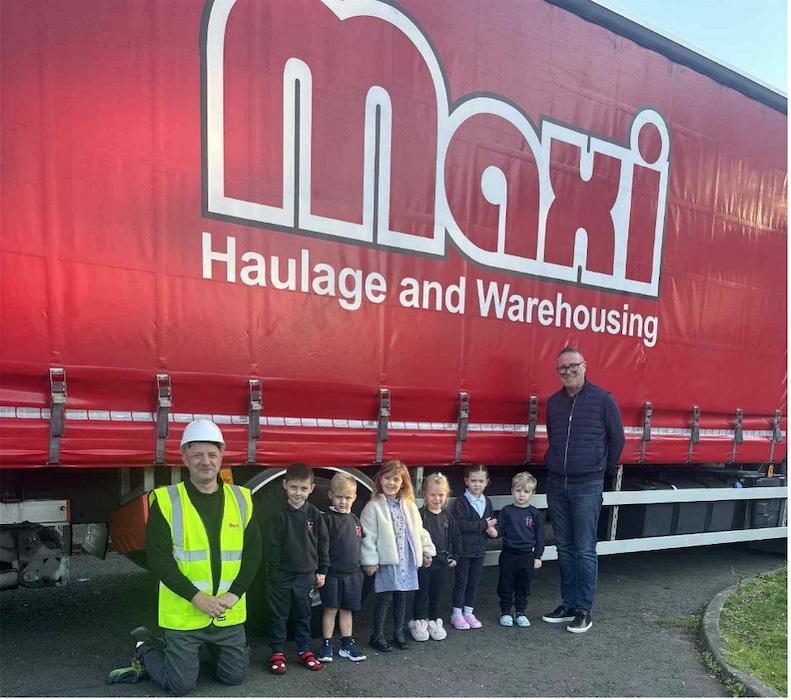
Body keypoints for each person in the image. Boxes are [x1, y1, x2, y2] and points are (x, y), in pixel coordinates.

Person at [106, 419, 261, 695]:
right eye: (197, 454)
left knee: (235, 677)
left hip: (227, 611)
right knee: (181, 686)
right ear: (184, 458)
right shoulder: (166, 501)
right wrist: (197, 598)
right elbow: (159, 559)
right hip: (186, 613)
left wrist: (235, 594)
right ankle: (147, 647)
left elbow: (253, 552)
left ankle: (202, 653)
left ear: (221, 457)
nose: (206, 461)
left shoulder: (242, 499)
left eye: (212, 454)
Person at [541, 345, 624, 633]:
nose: (568, 372)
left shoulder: (603, 400)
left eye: (573, 366)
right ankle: (568, 604)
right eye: (562, 368)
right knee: (564, 547)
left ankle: (583, 610)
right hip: (557, 482)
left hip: (587, 484)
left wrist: (601, 467)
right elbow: (554, 437)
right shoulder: (553, 403)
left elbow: (617, 440)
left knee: (585, 548)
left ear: (584, 365)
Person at [360, 460, 436, 652]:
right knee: (385, 598)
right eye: (387, 478)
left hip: (406, 558)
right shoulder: (374, 506)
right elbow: (368, 535)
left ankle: (398, 632)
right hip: (388, 560)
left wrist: (427, 550)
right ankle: (377, 635)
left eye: (396, 479)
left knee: (402, 597)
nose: (391, 483)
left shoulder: (408, 505)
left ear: (403, 482)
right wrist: (370, 560)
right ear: (380, 480)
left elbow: (419, 530)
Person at [263, 462, 330, 674]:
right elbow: (271, 544)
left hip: (305, 575)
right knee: (278, 615)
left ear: (311, 488)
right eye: (293, 487)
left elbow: (323, 543)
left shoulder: (314, 514)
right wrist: (274, 570)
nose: (298, 493)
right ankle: (277, 653)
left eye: (303, 488)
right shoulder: (277, 513)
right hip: (280, 575)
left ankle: (303, 650)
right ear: (284, 485)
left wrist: (322, 570)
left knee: (303, 615)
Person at [317, 473, 367, 663]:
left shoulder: (354, 519)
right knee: (330, 609)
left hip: (353, 575)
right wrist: (321, 570)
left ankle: (347, 644)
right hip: (332, 575)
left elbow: (361, 542)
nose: (343, 502)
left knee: (347, 610)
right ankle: (327, 644)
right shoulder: (326, 519)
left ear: (354, 497)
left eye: (348, 497)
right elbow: (322, 548)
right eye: (339, 497)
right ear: (330, 495)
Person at [408, 472, 462, 642]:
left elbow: (456, 537)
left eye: (441, 495)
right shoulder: (419, 515)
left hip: (442, 562)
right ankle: (419, 621)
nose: (437, 498)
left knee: (437, 593)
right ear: (424, 494)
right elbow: (413, 537)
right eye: (432, 494)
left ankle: (434, 620)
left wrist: (456, 556)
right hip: (425, 563)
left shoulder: (447, 516)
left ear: (446, 495)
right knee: (421, 593)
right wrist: (421, 555)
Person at [450, 464, 498, 630]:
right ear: (466, 481)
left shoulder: (487, 501)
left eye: (481, 481)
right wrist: (483, 525)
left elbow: (490, 523)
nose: (477, 484)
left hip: (479, 550)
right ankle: (456, 613)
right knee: (461, 582)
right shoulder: (461, 502)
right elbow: (460, 526)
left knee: (474, 582)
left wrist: (492, 531)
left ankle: (469, 612)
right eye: (473, 480)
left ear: (487, 483)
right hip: (463, 550)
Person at [495, 471, 545, 627]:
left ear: (533, 493)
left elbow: (540, 537)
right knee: (506, 584)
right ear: (512, 491)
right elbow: (500, 531)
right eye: (518, 491)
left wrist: (537, 556)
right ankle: (505, 612)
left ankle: (521, 612)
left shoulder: (535, 514)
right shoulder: (506, 511)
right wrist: (492, 531)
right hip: (508, 554)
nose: (522, 495)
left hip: (527, 556)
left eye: (526, 491)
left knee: (524, 585)